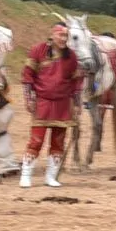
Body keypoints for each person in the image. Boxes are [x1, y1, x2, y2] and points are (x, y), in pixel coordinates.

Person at [19, 22, 83, 189]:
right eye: (61, 35)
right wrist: (29, 98)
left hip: (63, 104)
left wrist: (77, 104)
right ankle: (26, 176)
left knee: (58, 142)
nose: (63, 39)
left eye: (66, 36)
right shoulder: (37, 51)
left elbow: (77, 82)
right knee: (36, 140)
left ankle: (51, 177)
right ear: (52, 34)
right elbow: (27, 76)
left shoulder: (72, 57)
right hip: (42, 102)